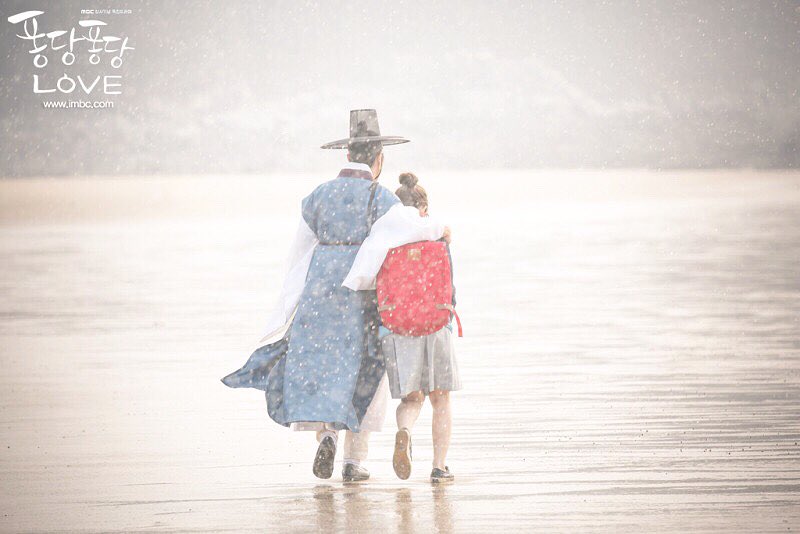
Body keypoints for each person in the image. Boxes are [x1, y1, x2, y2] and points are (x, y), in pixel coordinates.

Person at [221, 109, 449, 483]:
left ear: (347, 154)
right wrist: (441, 229)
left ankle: (327, 436)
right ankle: (353, 462)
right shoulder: (381, 198)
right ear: (379, 159)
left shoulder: (317, 196)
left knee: (327, 369)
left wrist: (292, 303)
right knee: (363, 374)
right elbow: (410, 229)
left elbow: (298, 253)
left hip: (318, 292)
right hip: (361, 297)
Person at [343, 172, 460, 483]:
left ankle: (405, 430)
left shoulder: (386, 239)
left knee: (411, 399)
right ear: (424, 208)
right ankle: (439, 467)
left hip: (399, 328)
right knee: (441, 399)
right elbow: (450, 288)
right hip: (436, 324)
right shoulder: (437, 236)